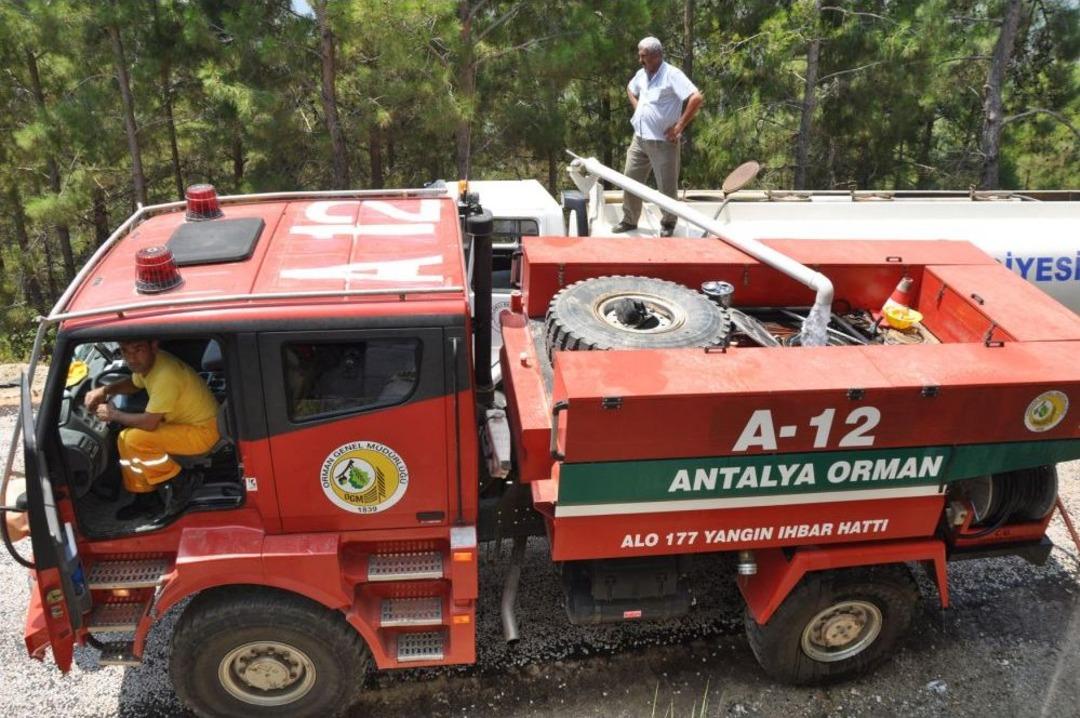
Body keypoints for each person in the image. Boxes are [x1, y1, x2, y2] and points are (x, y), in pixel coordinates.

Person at [83, 340, 219, 520]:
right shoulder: (152, 363)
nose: (131, 358)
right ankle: (146, 498)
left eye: (138, 349)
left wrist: (114, 414)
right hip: (188, 425)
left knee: (134, 439)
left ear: (153, 347)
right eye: (125, 351)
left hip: (202, 433)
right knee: (125, 438)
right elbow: (134, 384)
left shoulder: (165, 375)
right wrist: (105, 390)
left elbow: (149, 423)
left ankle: (183, 482)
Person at [612, 36, 704, 237]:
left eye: (643, 56)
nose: (640, 60)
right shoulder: (642, 74)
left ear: (656, 55)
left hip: (664, 142)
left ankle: (668, 223)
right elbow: (630, 88)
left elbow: (696, 97)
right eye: (640, 55)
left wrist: (679, 126)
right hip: (640, 139)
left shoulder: (671, 74)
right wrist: (638, 109)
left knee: (666, 186)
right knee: (630, 179)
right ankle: (629, 220)